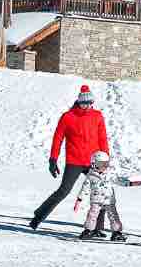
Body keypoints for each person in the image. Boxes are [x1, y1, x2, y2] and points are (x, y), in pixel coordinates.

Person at [30, 85, 111, 230]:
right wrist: (53, 159)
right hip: (74, 161)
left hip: (94, 162)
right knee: (63, 191)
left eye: (89, 103)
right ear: (78, 102)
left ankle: (98, 228)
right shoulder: (68, 117)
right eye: (83, 103)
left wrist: (105, 159)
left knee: (100, 192)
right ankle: (38, 217)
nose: (86, 106)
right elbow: (58, 138)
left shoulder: (97, 116)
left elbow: (102, 138)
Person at [77, 151, 141, 241]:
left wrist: (131, 183)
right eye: (101, 164)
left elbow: (119, 181)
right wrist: (79, 199)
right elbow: (85, 188)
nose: (104, 166)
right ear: (94, 164)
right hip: (96, 200)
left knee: (113, 216)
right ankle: (88, 230)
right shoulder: (91, 176)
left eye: (106, 164)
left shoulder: (110, 174)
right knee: (92, 215)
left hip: (109, 200)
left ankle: (116, 233)